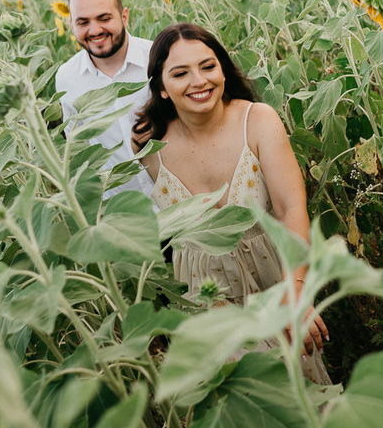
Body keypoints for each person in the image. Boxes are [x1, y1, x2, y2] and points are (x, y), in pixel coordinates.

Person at [132, 23, 331, 382]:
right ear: (161, 88)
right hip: (202, 291)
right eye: (180, 73)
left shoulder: (257, 121)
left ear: (223, 69)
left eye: (208, 66)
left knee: (294, 389)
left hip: (270, 273)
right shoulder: (148, 143)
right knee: (236, 399)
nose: (198, 81)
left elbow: (291, 208)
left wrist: (295, 289)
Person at [54, 0, 153, 197]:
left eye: (104, 18)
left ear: (124, 16)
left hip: (178, 198)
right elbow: (77, 145)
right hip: (120, 206)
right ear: (71, 25)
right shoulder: (67, 77)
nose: (95, 30)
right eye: (83, 22)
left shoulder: (157, 59)